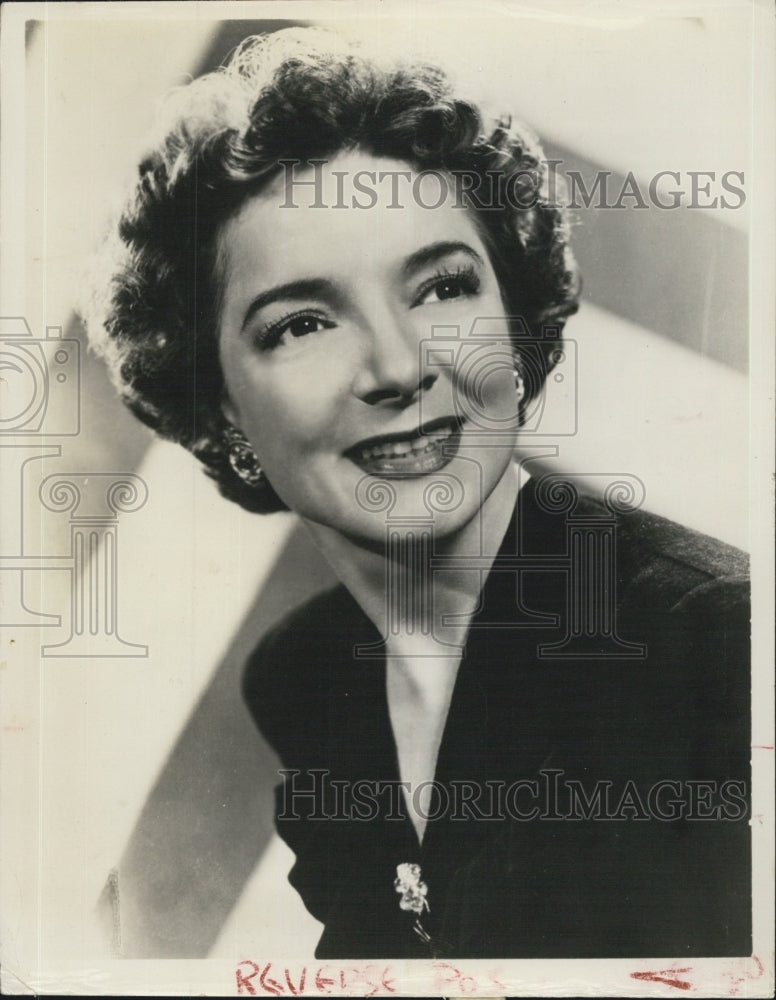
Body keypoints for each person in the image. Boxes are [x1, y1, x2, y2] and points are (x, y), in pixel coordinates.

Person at [86, 27, 751, 960]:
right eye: (303, 323)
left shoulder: (714, 643)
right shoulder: (306, 676)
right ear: (219, 406)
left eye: (441, 288)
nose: (399, 366)